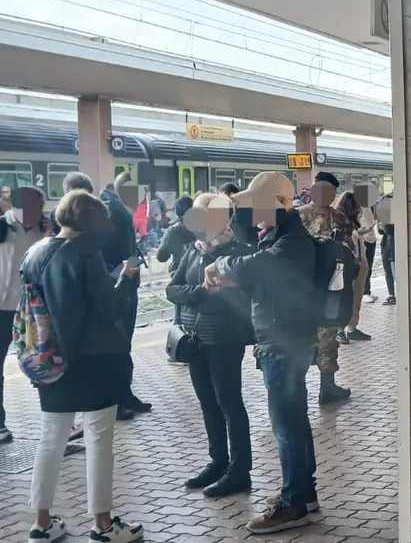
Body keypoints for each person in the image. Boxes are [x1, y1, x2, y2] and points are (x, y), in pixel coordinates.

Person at [22, 189, 144, 543]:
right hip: (93, 360)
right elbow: (109, 309)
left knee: (51, 440)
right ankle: (103, 526)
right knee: (99, 439)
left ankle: (42, 523)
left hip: (49, 358)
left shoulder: (35, 252)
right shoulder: (86, 254)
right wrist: (127, 279)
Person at [206, 172, 320, 534]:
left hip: (284, 343)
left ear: (281, 204)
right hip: (283, 339)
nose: (253, 209)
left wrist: (221, 265)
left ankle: (293, 503)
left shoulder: (291, 242)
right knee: (294, 420)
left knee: (286, 423)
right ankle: (303, 492)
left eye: (260, 202)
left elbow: (255, 266)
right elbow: (257, 271)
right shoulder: (278, 238)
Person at [166, 192, 255, 499]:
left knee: (229, 403)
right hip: (194, 340)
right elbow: (172, 289)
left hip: (225, 338)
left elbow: (239, 298)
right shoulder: (192, 252)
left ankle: (239, 470)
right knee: (207, 403)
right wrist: (200, 292)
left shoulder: (239, 252)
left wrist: (210, 291)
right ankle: (218, 462)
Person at [61, 172, 151, 421]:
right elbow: (120, 253)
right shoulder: (117, 212)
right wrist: (126, 279)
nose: (144, 199)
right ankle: (118, 399)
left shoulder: (115, 208)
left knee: (121, 345)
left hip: (116, 283)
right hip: (117, 285)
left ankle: (123, 396)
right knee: (119, 344)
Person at [0, 186, 52, 444]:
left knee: (41, 360)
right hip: (1, 308)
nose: (36, 214)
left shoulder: (43, 229)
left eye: (39, 209)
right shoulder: (2, 227)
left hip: (31, 310)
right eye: (32, 208)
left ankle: (57, 416)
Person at [298, 171, 353, 404]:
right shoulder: (299, 215)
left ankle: (325, 388)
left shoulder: (340, 219)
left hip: (320, 288)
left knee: (325, 335)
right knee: (312, 336)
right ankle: (314, 388)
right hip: (314, 287)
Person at [332, 190, 371, 343]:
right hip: (352, 265)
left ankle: (348, 328)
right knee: (350, 297)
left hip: (351, 264)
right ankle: (344, 330)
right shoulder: (345, 226)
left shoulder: (343, 224)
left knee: (350, 297)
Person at [156, 195, 196, 273]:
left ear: (176, 212)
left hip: (179, 275)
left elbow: (161, 257)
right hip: (201, 274)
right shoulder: (205, 227)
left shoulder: (173, 231)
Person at [377, 193, 396, 306]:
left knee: (394, 272)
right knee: (387, 271)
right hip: (386, 245)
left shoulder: (395, 215)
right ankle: (391, 294)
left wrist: (383, 224)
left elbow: (389, 229)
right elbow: (381, 231)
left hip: (394, 245)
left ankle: (395, 294)